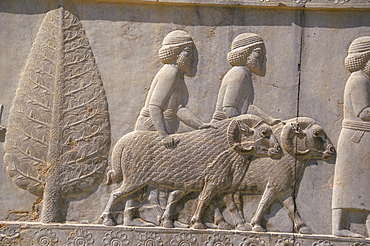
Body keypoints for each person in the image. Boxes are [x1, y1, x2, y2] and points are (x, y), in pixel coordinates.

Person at [125, 30, 212, 226]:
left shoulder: (177, 75)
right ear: (176, 52)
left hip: (163, 126)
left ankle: (161, 216)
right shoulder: (170, 72)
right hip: (152, 127)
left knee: (159, 174)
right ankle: (130, 216)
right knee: (142, 171)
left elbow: (178, 108)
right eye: (188, 51)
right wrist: (162, 134)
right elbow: (155, 106)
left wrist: (201, 125)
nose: (192, 57)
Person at [332, 36, 370, 238]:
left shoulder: (364, 79)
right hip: (357, 137)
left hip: (362, 137)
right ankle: (338, 228)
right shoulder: (359, 79)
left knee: (364, 185)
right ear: (366, 59)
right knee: (345, 184)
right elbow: (364, 112)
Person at [211, 33, 277, 125]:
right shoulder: (239, 73)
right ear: (244, 54)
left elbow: (246, 107)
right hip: (222, 127)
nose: (262, 58)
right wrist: (245, 127)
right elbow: (229, 109)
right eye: (258, 53)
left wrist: (270, 120)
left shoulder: (244, 73)